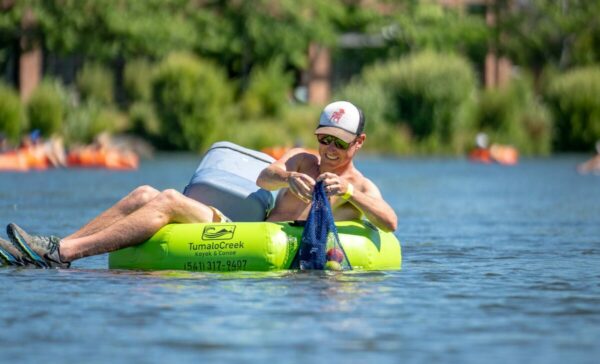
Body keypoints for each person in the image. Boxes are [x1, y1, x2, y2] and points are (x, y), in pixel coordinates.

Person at [0, 101, 397, 269]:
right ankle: (56, 247)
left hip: (268, 245)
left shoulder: (358, 186)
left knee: (171, 199)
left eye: (338, 142)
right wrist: (288, 177)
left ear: (358, 142)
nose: (327, 148)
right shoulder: (303, 159)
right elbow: (264, 176)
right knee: (143, 193)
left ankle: (60, 254)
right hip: (248, 230)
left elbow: (389, 222)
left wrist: (351, 195)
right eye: (323, 137)